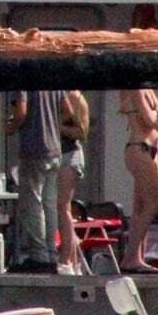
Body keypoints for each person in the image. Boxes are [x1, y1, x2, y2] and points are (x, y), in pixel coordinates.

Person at [6, 89, 71, 273]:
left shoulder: (23, 79)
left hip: (34, 149)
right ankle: (51, 253)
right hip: (55, 149)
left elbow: (21, 113)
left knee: (32, 203)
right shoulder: (52, 79)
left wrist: (9, 127)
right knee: (49, 204)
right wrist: (51, 122)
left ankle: (39, 255)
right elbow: (68, 110)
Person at [117, 87, 158, 272]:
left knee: (141, 206)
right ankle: (131, 256)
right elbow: (151, 120)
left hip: (149, 149)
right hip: (140, 148)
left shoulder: (150, 91)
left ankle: (136, 257)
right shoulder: (138, 90)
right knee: (153, 202)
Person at [55, 90, 90, 274]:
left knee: (63, 206)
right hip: (53, 155)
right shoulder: (54, 95)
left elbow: (82, 132)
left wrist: (57, 127)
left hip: (70, 155)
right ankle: (75, 261)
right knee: (57, 207)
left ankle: (65, 259)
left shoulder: (75, 97)